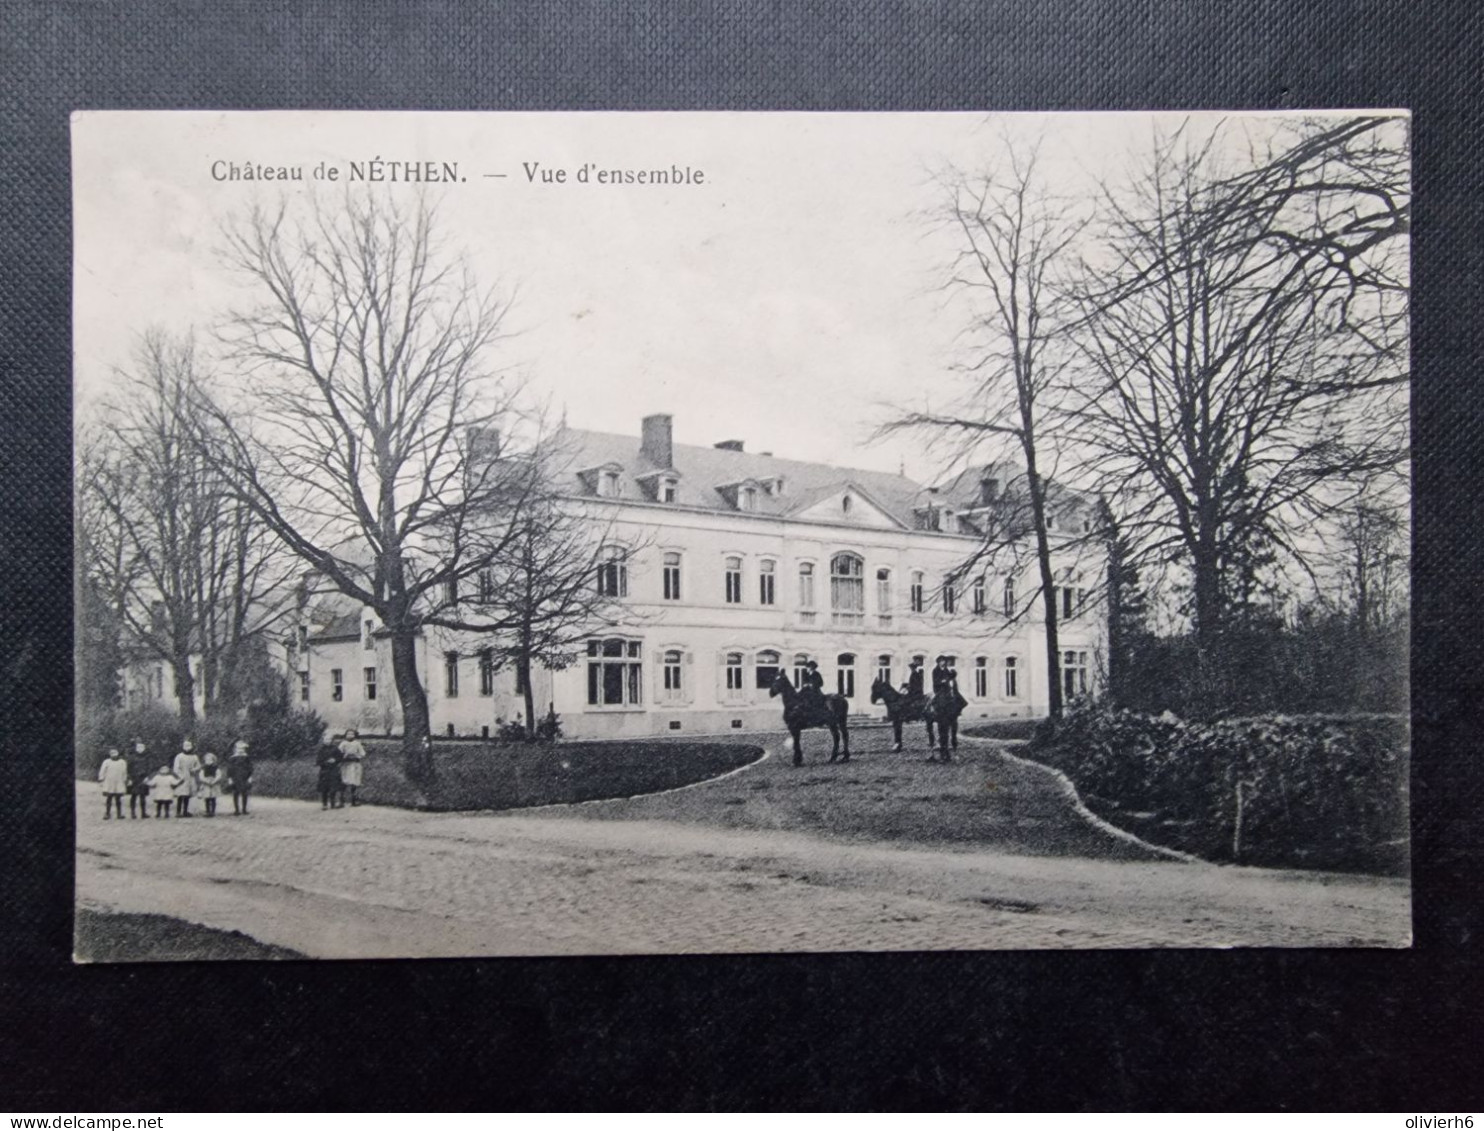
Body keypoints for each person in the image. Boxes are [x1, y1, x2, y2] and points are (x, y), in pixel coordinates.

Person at [172, 738, 202, 817]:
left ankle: (185, 811)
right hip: (182, 778)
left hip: (190, 778)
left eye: (189, 745)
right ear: (182, 746)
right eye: (185, 745)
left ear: (192, 746)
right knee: (180, 795)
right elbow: (176, 768)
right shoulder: (179, 756)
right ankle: (178, 812)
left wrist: (194, 769)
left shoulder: (194, 756)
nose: (187, 747)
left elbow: (199, 766)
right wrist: (179, 776)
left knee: (187, 795)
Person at [337, 728, 367, 806]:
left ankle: (354, 800)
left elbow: (363, 753)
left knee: (354, 782)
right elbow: (338, 752)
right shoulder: (343, 743)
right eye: (348, 734)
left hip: (355, 765)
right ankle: (341, 801)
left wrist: (357, 756)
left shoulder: (357, 743)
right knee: (344, 781)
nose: (350, 735)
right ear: (345, 735)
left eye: (352, 734)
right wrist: (344, 756)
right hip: (346, 765)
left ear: (355, 735)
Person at [97, 747, 128, 820]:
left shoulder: (122, 762)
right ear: (110, 754)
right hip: (109, 782)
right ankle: (107, 814)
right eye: (112, 753)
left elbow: (124, 772)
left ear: (118, 753)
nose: (114, 755)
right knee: (109, 799)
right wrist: (101, 779)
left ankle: (119, 814)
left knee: (118, 799)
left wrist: (125, 780)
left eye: (115, 753)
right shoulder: (106, 762)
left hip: (119, 782)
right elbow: (102, 771)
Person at [125, 739, 151, 819]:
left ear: (144, 748)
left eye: (142, 747)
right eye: (138, 747)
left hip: (143, 779)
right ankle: (133, 813)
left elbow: (149, 768)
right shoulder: (132, 758)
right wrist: (129, 779)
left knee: (143, 796)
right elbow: (128, 769)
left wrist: (148, 777)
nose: (140, 748)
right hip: (134, 779)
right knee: (133, 796)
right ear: (136, 748)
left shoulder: (147, 758)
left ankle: (143, 813)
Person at [226, 740, 253, 815]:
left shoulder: (246, 757)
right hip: (235, 777)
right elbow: (229, 769)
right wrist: (230, 778)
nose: (240, 750)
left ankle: (244, 809)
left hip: (244, 777)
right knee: (235, 793)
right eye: (239, 748)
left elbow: (250, 768)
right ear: (235, 749)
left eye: (242, 749)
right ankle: (236, 810)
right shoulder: (232, 758)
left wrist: (250, 777)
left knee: (245, 793)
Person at [316, 736, 343, 810]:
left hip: (333, 770)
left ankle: (332, 803)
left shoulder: (335, 749)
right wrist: (325, 762)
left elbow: (340, 757)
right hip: (324, 770)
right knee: (324, 788)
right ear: (323, 741)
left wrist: (335, 760)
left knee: (333, 787)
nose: (327, 741)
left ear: (332, 740)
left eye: (329, 739)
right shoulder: (321, 750)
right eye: (326, 739)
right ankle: (324, 804)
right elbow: (318, 761)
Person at [197, 753, 224, 818]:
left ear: (213, 760)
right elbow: (201, 776)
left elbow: (219, 775)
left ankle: (213, 811)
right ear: (205, 760)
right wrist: (205, 781)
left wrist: (214, 781)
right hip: (206, 784)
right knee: (207, 798)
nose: (208, 761)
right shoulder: (203, 768)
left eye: (210, 760)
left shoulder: (216, 767)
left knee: (213, 798)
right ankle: (208, 811)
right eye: (207, 760)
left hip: (214, 784)